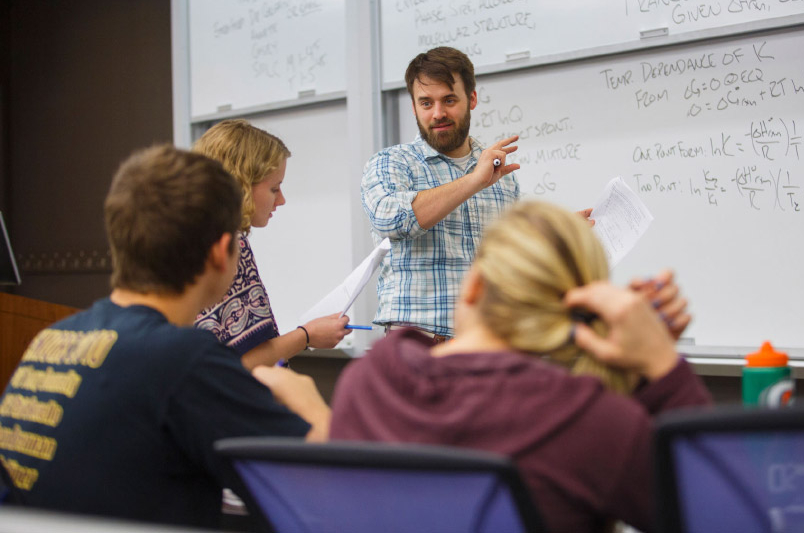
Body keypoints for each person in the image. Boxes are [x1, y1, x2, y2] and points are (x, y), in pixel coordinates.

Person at [327, 201, 712, 533]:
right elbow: (727, 518)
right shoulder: (592, 421)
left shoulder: (366, 385)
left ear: (475, 285)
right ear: (581, 312)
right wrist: (661, 364)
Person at [0, 145, 331, 528]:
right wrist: (308, 402)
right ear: (222, 253)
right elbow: (327, 491)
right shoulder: (182, 360)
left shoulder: (50, 341)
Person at [361, 46, 523, 341]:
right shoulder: (391, 163)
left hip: (488, 342)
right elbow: (391, 221)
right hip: (417, 346)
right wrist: (474, 181)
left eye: (449, 100)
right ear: (413, 106)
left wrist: (557, 235)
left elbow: (509, 258)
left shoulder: (502, 177)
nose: (438, 114)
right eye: (426, 103)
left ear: (471, 99)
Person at [193, 119, 350, 369]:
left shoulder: (188, 239)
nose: (282, 200)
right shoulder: (230, 246)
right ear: (241, 184)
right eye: (274, 188)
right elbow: (241, 363)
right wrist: (306, 336)